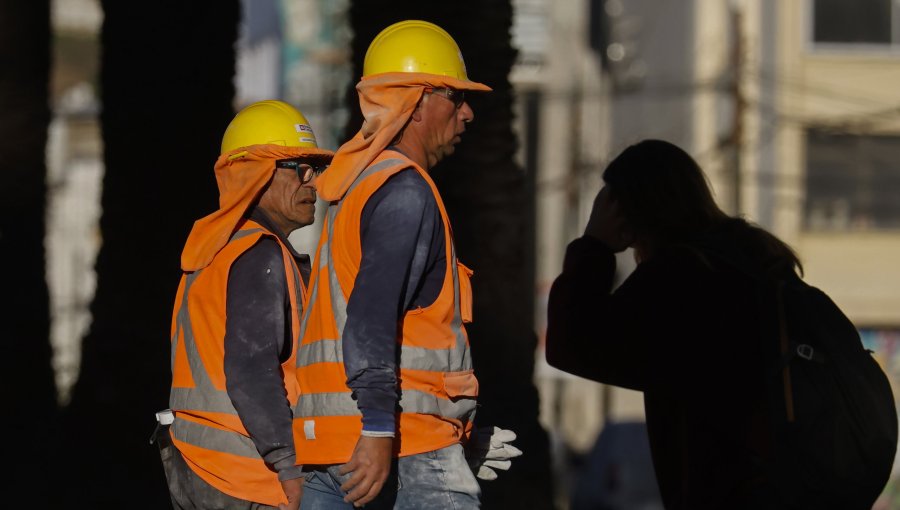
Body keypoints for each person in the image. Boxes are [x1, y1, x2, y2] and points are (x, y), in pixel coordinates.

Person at [292, 20, 520, 509]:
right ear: (417, 101)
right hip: (399, 448)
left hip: (332, 448)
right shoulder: (405, 191)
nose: (468, 114)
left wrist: (459, 431)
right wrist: (379, 428)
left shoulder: (355, 190)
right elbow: (370, 318)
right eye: (455, 98)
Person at [546, 139, 804, 510]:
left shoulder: (681, 279)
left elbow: (572, 343)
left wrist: (595, 245)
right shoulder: (756, 262)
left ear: (633, 217)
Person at [155, 100, 333, 510]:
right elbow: (250, 370)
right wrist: (290, 465)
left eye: (316, 170)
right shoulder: (258, 254)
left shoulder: (215, 248)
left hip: (198, 465)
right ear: (256, 174)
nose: (314, 184)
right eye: (300, 169)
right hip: (246, 476)